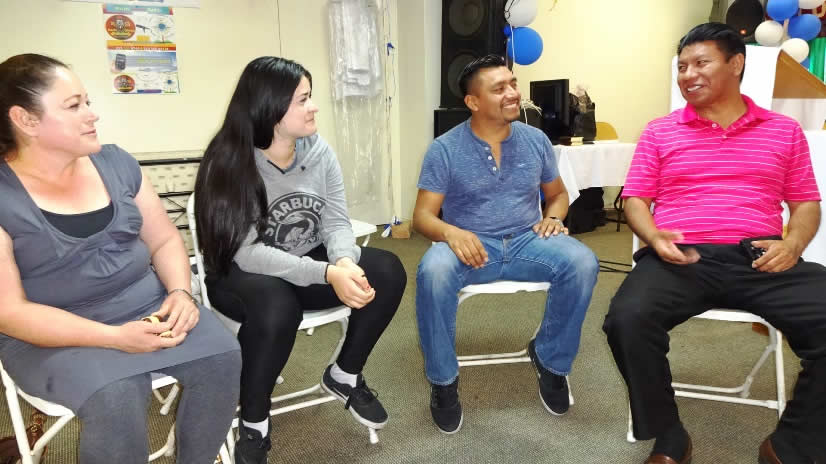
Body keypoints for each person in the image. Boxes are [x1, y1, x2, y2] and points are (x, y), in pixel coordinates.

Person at [0, 54, 241, 463]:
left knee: (222, 357)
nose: (92, 114)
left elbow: (164, 240)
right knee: (117, 394)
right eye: (74, 105)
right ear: (25, 120)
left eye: (88, 102)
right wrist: (113, 338)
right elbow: (9, 312)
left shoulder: (116, 163)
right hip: (52, 334)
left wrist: (181, 293)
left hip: (147, 308)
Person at [603, 23, 825, 464]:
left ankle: (791, 446)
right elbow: (636, 200)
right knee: (627, 319)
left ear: (736, 63)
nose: (688, 75)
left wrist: (793, 244)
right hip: (680, 257)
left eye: (700, 63)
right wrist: (653, 236)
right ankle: (669, 436)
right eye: (682, 67)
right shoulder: (660, 131)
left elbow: (805, 204)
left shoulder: (783, 131)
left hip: (761, 256)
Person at [193, 56, 406, 464]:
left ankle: (344, 374)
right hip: (240, 273)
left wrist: (344, 263)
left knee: (386, 271)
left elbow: (336, 220)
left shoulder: (317, 149)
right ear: (270, 108)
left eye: (311, 96)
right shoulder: (229, 160)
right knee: (277, 307)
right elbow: (247, 252)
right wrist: (326, 272)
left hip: (304, 261)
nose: (314, 107)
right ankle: (254, 420)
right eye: (302, 100)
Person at [413, 54, 599, 434]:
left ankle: (551, 360)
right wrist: (451, 233)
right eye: (499, 88)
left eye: (513, 83)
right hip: (469, 244)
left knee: (582, 263)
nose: (513, 93)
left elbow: (558, 195)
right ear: (473, 101)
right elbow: (423, 217)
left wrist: (553, 218)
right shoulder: (445, 149)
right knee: (432, 272)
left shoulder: (536, 140)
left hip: (528, 240)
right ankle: (443, 381)